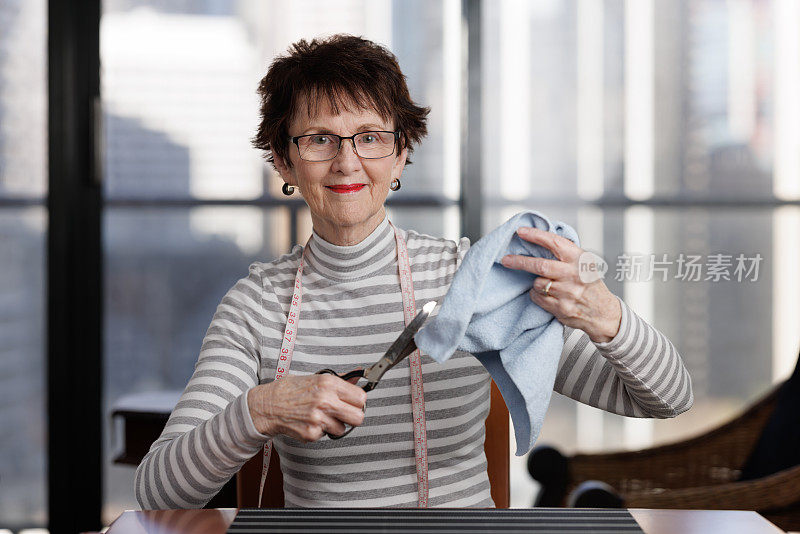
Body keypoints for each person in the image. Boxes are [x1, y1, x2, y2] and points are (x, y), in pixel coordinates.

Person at [135, 34, 693, 509]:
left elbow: (668, 399)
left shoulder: (470, 278)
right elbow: (158, 491)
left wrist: (605, 315)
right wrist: (259, 410)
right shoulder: (256, 303)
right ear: (283, 160)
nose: (347, 161)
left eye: (371, 137)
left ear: (401, 153)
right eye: (319, 139)